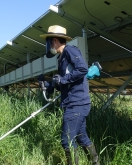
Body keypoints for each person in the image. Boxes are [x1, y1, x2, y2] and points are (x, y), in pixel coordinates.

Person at [39, 25, 100, 165]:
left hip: (77, 104)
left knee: (67, 140)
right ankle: (95, 162)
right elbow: (65, 83)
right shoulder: (61, 58)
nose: (48, 45)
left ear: (54, 41)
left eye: (48, 42)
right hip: (75, 103)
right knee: (81, 137)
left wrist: (63, 79)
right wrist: (49, 85)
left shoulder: (70, 50)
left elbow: (82, 69)